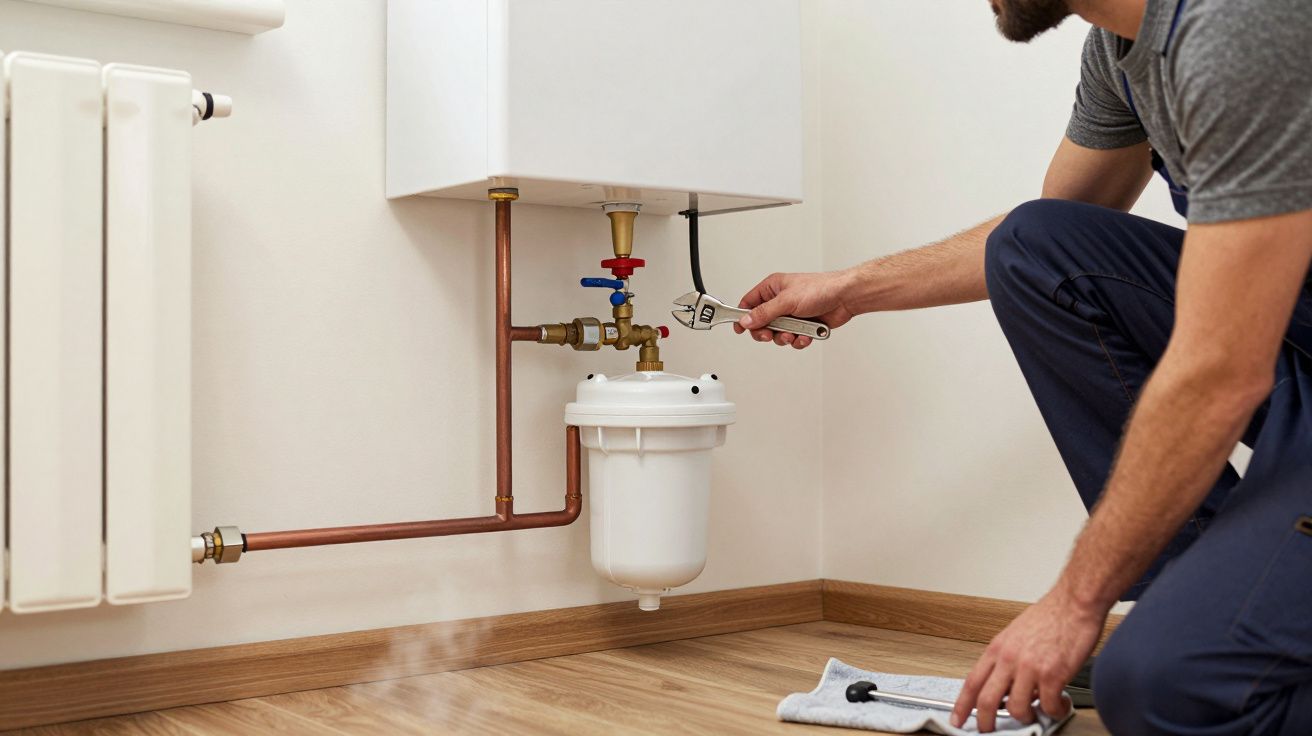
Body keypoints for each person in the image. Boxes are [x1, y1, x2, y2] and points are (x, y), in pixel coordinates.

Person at [736, 0, 1312, 733]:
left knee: (1166, 688)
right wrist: (850, 288)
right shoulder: (1124, 52)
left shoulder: (1242, 26)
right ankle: (1205, 601)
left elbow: (1218, 369)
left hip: (1263, 361)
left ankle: (1211, 635)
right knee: (1038, 247)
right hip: (1294, 354)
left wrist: (1075, 602)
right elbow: (1038, 238)